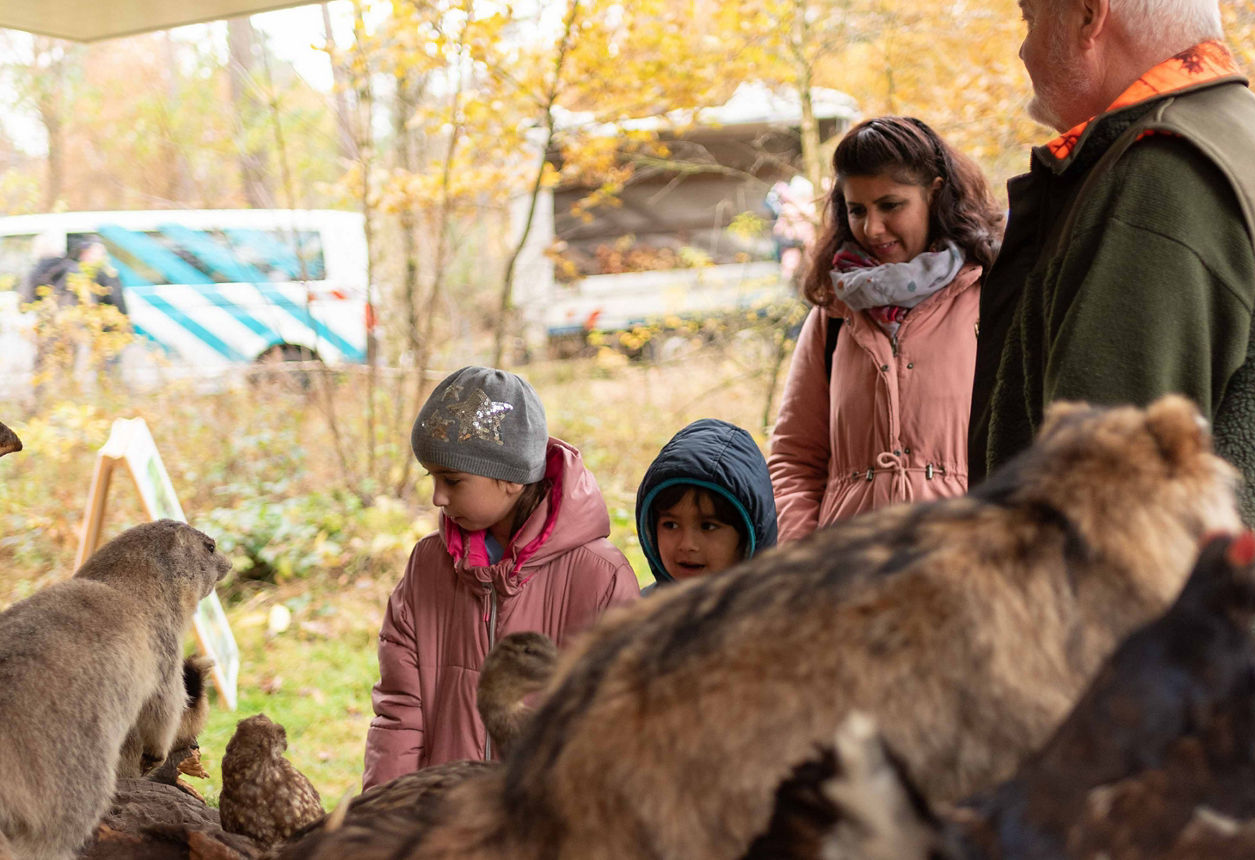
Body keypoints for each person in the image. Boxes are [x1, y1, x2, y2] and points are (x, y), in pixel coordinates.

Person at [965, 0, 1255, 788]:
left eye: (1029, 14)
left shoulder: (1160, 180)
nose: (1020, 47)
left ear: (1088, 16)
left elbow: (1104, 519)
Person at [363, 366, 640, 787]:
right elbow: (399, 709)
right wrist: (384, 812)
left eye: (452, 480)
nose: (437, 497)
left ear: (511, 478)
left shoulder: (601, 577)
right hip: (442, 816)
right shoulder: (428, 565)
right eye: (432, 478)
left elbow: (618, 729)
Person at [768, 117, 1003, 542]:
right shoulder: (833, 314)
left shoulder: (993, 298)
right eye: (857, 210)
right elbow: (794, 460)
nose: (872, 229)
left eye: (890, 205)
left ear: (934, 194)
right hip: (848, 570)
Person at [635, 418, 777, 591]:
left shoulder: (779, 607)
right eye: (670, 525)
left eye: (708, 526)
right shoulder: (640, 606)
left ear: (747, 538)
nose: (687, 544)